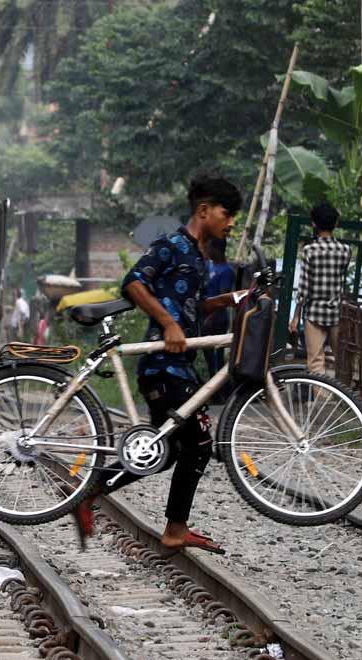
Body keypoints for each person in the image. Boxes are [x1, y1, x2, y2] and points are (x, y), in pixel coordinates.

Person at [72, 172, 246, 555]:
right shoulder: (172, 244)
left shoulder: (199, 257)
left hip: (179, 365)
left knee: (162, 450)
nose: (231, 222)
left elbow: (192, 307)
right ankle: (174, 529)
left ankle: (89, 494)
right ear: (203, 210)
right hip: (163, 365)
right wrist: (167, 323)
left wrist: (236, 298)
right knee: (198, 443)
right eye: (226, 213)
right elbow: (133, 282)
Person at [288, 202, 351, 376]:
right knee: (342, 360)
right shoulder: (345, 250)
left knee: (315, 362)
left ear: (313, 224)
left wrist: (296, 317)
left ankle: (321, 400)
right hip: (337, 313)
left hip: (314, 313)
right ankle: (344, 400)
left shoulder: (309, 250)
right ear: (336, 223)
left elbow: (304, 287)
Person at [202, 238, 235, 378]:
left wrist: (210, 317)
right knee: (207, 354)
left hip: (217, 319)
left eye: (209, 248)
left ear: (217, 249)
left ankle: (220, 386)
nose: (208, 251)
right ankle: (211, 383)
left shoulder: (227, 271)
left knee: (217, 354)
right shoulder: (208, 266)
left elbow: (223, 298)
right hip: (204, 316)